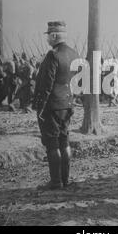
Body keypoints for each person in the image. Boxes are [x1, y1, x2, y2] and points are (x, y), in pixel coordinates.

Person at [33, 21, 80, 190]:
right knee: (64, 141)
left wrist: (40, 107)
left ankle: (55, 182)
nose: (47, 39)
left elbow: (46, 84)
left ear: (54, 36)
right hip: (67, 104)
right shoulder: (74, 54)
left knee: (52, 144)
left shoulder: (53, 55)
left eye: (48, 36)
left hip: (51, 106)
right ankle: (65, 180)